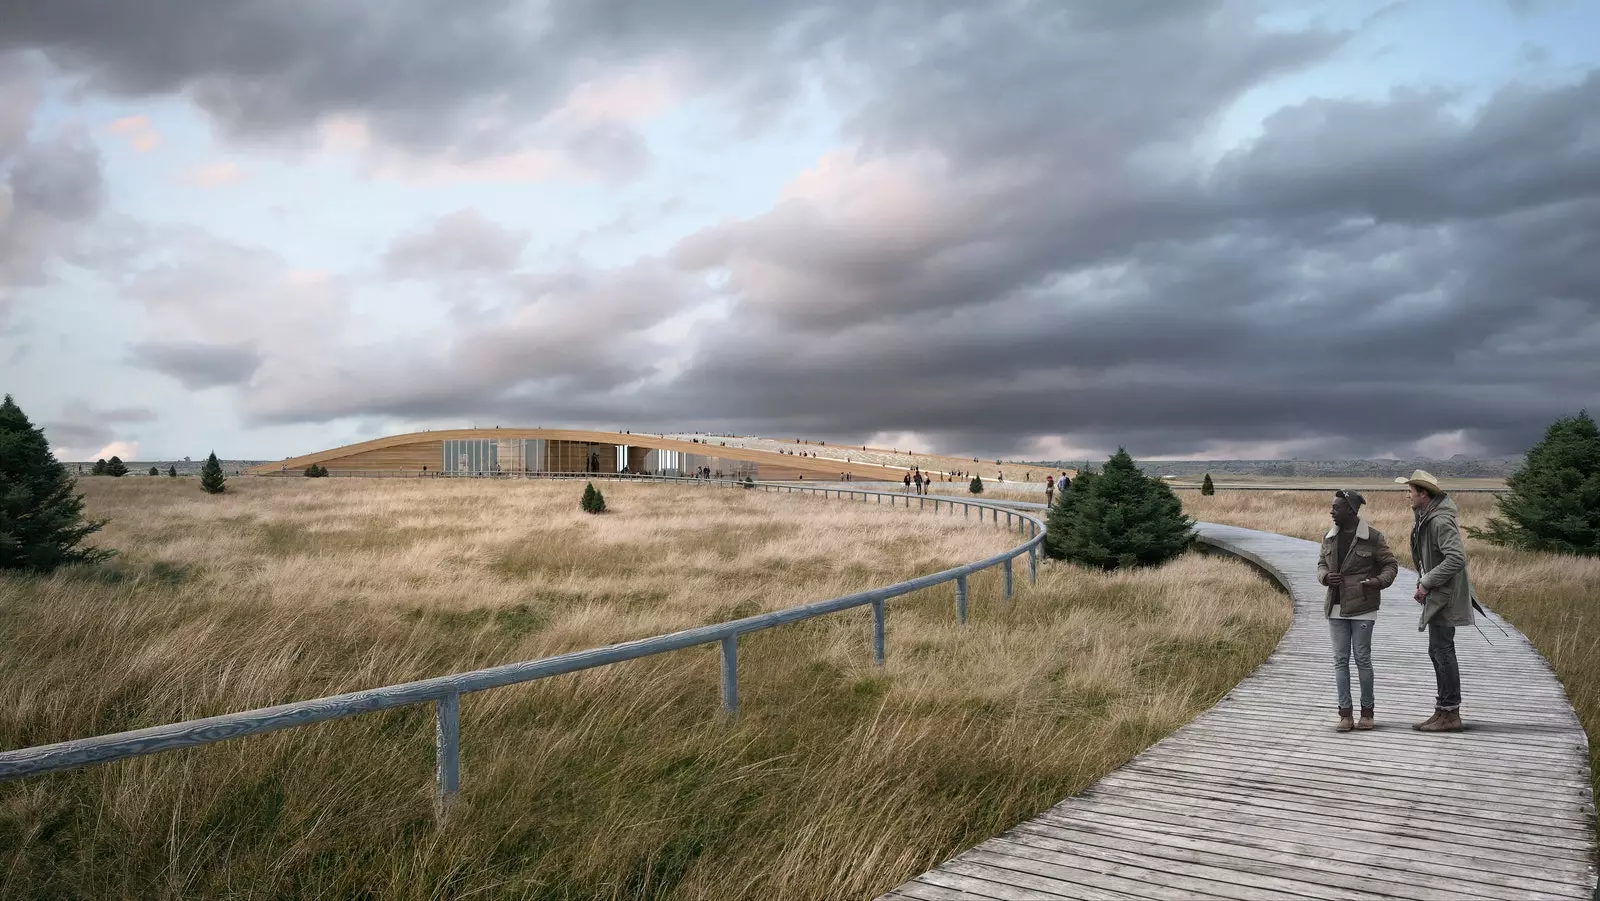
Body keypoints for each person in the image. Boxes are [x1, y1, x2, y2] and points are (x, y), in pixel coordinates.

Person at [1396, 469, 1474, 732]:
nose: (1407, 496)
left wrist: (1427, 581)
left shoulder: (1439, 522)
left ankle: (1450, 714)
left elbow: (1456, 558)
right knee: (1437, 651)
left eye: (1410, 492)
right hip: (1438, 594)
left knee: (1443, 651)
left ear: (1424, 493)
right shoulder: (1426, 518)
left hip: (1445, 596)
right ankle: (1442, 711)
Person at [1315, 490, 1397, 732]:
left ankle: (1368, 713)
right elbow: (1320, 564)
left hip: (1363, 607)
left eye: (1336, 507)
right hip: (1335, 607)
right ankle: (1345, 715)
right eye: (1332, 507)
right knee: (1340, 660)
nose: (1331, 511)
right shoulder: (1329, 537)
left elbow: (1390, 564)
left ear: (1350, 510)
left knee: (1362, 659)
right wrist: (1325, 577)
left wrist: (1379, 582)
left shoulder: (1372, 537)